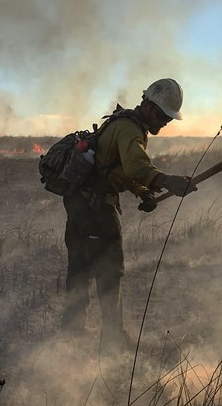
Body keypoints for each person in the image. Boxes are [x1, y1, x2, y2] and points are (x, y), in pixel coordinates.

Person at [61, 78, 197, 351]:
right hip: (97, 211)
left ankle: (70, 334)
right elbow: (135, 165)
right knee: (110, 272)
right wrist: (168, 181)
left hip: (78, 205)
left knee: (80, 270)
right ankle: (113, 340)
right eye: (162, 115)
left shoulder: (121, 123)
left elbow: (114, 170)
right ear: (147, 105)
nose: (164, 123)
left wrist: (141, 191)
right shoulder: (129, 129)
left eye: (168, 119)